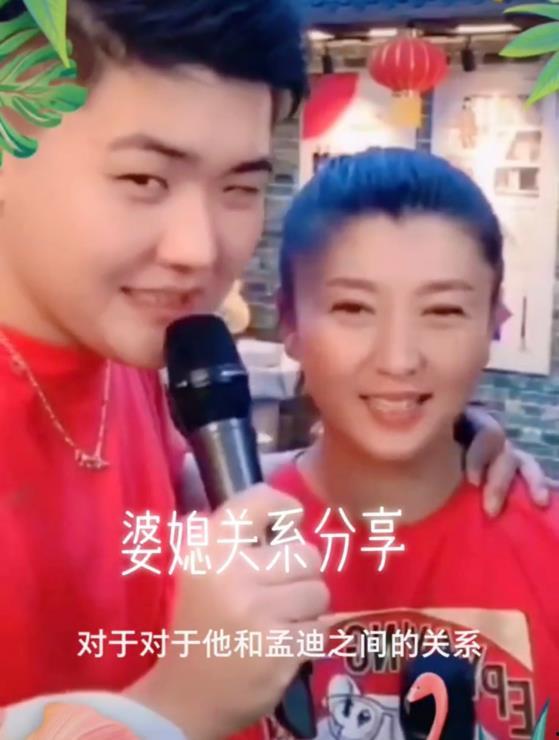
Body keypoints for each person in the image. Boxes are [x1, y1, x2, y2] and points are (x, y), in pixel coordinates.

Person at [0, 0, 550, 735]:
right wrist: (178, 706)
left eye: (240, 187)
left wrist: (433, 446)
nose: (198, 250)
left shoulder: (126, 353)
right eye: (144, 179)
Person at [234, 148, 559, 740]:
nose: (399, 359)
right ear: (289, 322)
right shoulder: (217, 539)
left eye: (443, 310)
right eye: (353, 308)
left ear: (495, 321)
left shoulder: (546, 545)